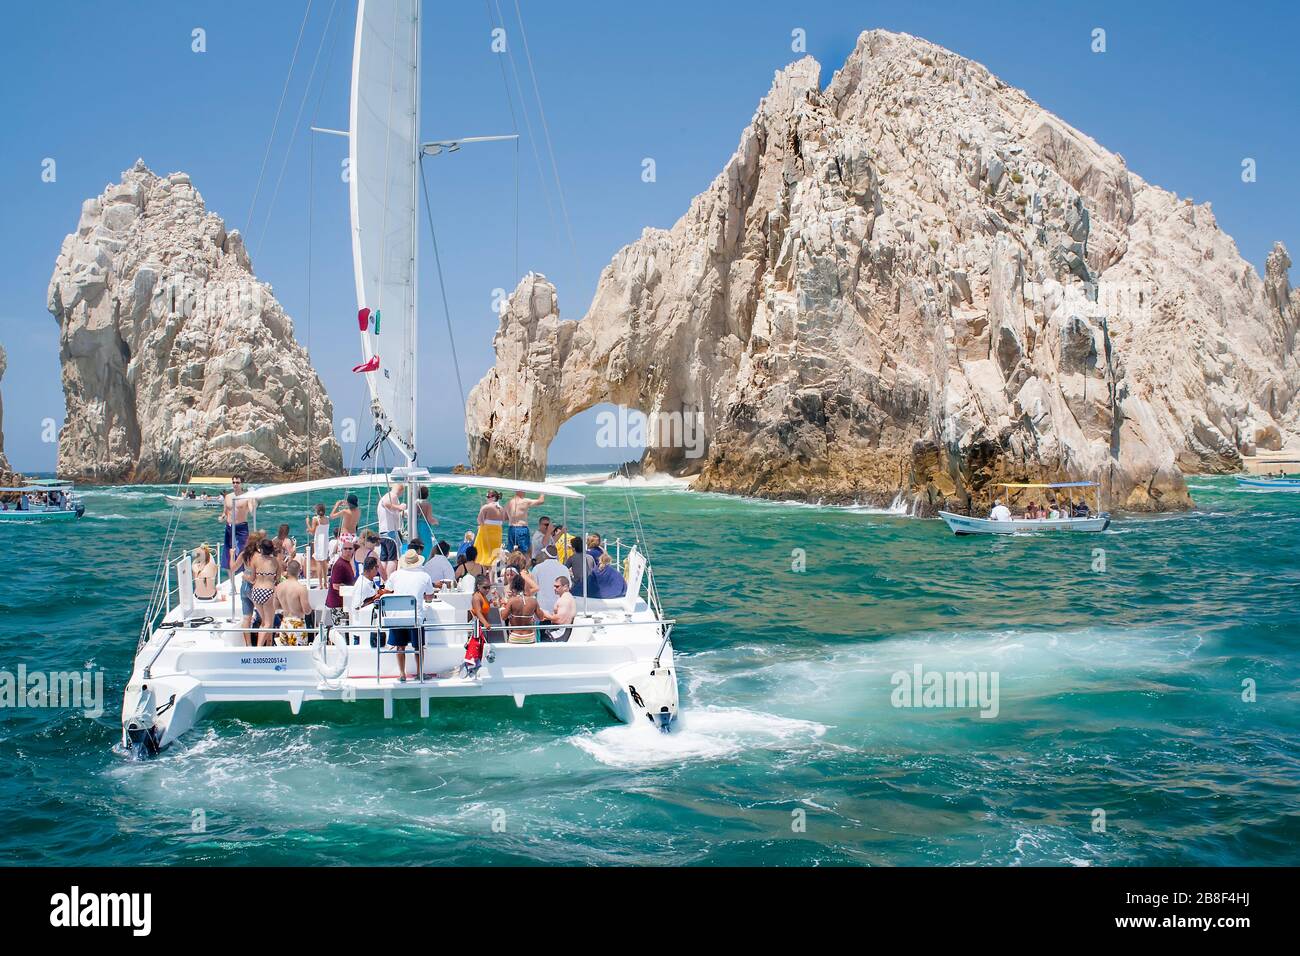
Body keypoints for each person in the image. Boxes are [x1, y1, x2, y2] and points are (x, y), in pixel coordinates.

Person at [384, 550, 435, 681]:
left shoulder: (395, 575)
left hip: (396, 617)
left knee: (400, 645)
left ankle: (402, 674)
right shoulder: (424, 576)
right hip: (415, 617)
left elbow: (387, 591)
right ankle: (420, 672)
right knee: (418, 646)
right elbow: (429, 597)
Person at [219, 475, 256, 570]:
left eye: (237, 482)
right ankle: (231, 574)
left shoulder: (246, 497)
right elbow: (225, 512)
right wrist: (222, 517)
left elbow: (252, 511)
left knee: (243, 551)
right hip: (229, 527)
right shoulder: (227, 497)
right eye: (233, 482)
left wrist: (253, 498)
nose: (235, 484)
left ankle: (244, 570)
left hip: (241, 527)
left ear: (242, 484)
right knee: (228, 551)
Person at [248, 539, 281, 647]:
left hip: (256, 592)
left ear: (261, 549)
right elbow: (278, 579)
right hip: (268, 591)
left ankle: (268, 645)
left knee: (264, 622)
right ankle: (259, 647)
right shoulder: (275, 561)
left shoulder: (255, 560)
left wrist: (245, 577)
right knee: (268, 623)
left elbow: (252, 578)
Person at [276, 559, 313, 642]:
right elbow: (306, 611)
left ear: (287, 570)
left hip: (284, 623)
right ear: (299, 571)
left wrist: (287, 605)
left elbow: (275, 606)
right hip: (297, 623)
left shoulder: (279, 587)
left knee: (285, 654)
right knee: (299, 653)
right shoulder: (301, 588)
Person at [324, 538, 357, 625]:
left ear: (353, 550)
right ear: (341, 550)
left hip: (345, 603)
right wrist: (352, 590)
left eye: (350, 548)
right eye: (345, 548)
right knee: (341, 630)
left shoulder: (347, 563)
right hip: (338, 605)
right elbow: (336, 585)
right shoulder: (339, 565)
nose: (348, 551)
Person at [504, 489, 545, 555]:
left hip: (511, 529)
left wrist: (515, 517)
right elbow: (541, 501)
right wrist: (542, 491)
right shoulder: (524, 501)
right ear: (521, 491)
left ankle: (512, 564)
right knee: (526, 552)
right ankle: (524, 564)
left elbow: (505, 518)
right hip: (521, 529)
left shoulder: (508, 503)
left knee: (512, 551)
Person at [503, 574, 540, 644]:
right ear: (524, 586)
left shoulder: (511, 601)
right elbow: (540, 617)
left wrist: (502, 606)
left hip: (515, 636)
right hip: (529, 636)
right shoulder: (533, 600)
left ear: (513, 586)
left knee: (513, 655)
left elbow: (503, 617)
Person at [537, 575, 575, 642]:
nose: (554, 588)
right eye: (554, 586)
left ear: (565, 587)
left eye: (557, 586)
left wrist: (544, 614)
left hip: (559, 634)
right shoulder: (566, 598)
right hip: (560, 631)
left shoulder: (564, 600)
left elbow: (560, 620)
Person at [377, 483, 406, 571]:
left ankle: (384, 579)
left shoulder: (385, 496)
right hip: (391, 531)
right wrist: (400, 507)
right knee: (393, 557)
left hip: (383, 532)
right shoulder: (392, 496)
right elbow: (386, 504)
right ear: (401, 491)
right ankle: (390, 578)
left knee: (384, 557)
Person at [473, 491, 506, 564]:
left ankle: (483, 572)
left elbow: (479, 521)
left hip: (486, 534)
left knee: (482, 555)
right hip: (497, 535)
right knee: (493, 557)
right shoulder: (502, 509)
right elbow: (502, 521)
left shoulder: (486, 507)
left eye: (488, 497)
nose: (486, 498)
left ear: (493, 498)